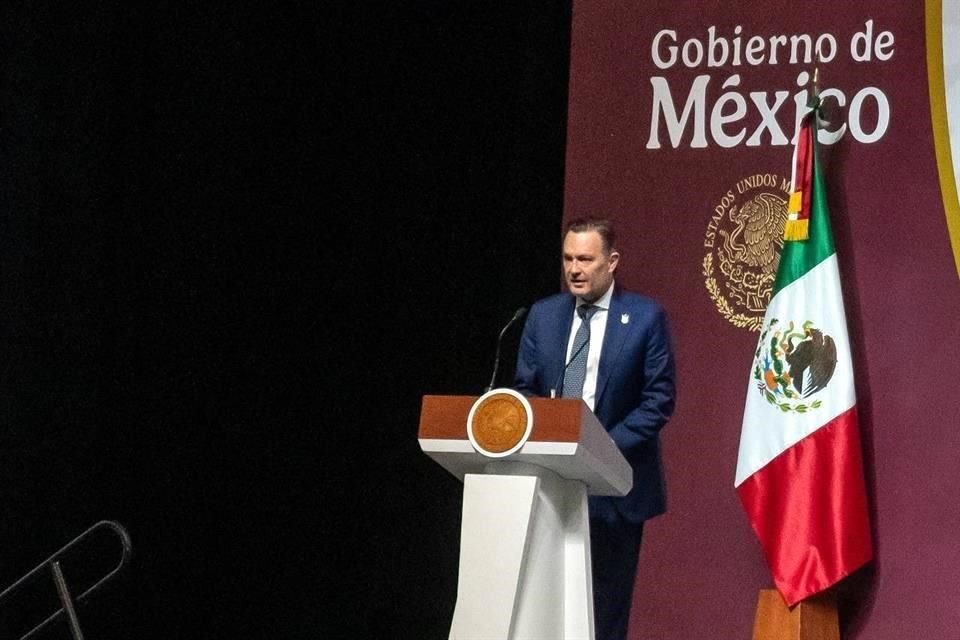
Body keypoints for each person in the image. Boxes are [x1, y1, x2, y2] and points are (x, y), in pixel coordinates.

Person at [513, 216, 676, 640]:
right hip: (550, 482)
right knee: (547, 603)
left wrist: (595, 447)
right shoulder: (542, 315)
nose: (574, 270)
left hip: (614, 488)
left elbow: (658, 400)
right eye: (568, 259)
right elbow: (524, 389)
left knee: (604, 610)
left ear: (612, 261)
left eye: (585, 259)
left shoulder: (644, 318)